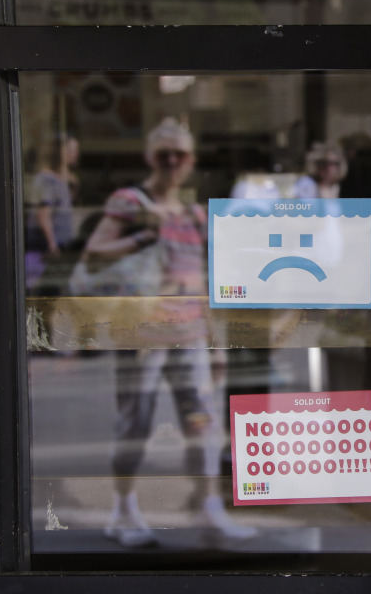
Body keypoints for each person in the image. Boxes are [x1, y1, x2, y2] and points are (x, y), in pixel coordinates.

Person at [83, 118, 254, 547]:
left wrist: (217, 345)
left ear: (192, 160)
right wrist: (144, 235)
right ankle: (122, 512)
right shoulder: (130, 201)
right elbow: (94, 255)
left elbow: (202, 282)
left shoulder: (195, 213)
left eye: (180, 153)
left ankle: (207, 507)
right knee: (135, 424)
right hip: (140, 334)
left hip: (190, 334)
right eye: (165, 153)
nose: (173, 161)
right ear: (149, 156)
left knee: (202, 423)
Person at [25, 132, 79, 294]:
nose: (74, 153)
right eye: (69, 149)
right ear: (58, 151)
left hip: (63, 245)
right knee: (46, 290)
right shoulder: (46, 180)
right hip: (46, 248)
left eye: (76, 149)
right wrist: (51, 244)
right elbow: (43, 214)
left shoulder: (64, 180)